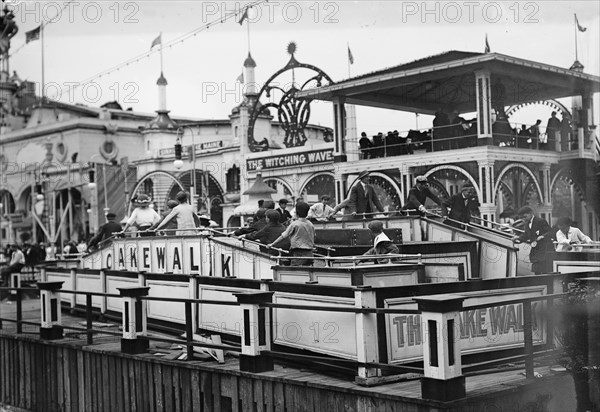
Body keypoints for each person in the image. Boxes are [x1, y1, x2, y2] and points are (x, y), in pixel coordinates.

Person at [269, 202, 314, 266]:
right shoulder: (310, 224)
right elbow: (313, 235)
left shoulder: (295, 224)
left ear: (297, 213)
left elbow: (283, 236)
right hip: (310, 252)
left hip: (298, 252)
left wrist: (272, 244)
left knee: (294, 271)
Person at [512, 206, 554, 274]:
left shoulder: (540, 221)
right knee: (536, 270)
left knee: (546, 271)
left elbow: (550, 232)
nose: (523, 219)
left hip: (545, 251)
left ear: (531, 213)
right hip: (536, 252)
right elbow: (526, 235)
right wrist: (518, 238)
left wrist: (542, 236)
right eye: (522, 218)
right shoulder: (527, 224)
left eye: (525, 216)